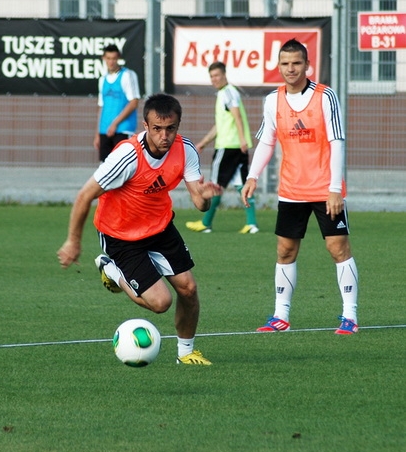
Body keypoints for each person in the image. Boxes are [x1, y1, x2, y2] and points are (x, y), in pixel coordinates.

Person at [58, 93, 222, 364]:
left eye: (171, 129)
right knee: (161, 303)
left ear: (178, 126)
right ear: (146, 126)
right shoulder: (127, 156)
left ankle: (186, 352)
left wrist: (204, 196)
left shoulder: (186, 150)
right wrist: (73, 241)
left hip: (160, 228)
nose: (164, 136)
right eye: (157, 129)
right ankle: (110, 268)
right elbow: (84, 196)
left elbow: (199, 203)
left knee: (189, 290)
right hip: (120, 235)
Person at [241, 38, 359, 335]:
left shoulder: (325, 96)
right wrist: (252, 176)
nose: (290, 69)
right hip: (291, 190)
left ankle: (350, 316)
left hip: (324, 188)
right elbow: (267, 140)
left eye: (296, 63)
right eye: (285, 63)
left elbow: (337, 142)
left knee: (337, 248)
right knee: (285, 251)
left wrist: (335, 188)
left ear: (308, 66)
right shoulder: (272, 100)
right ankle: (281, 316)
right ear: (278, 66)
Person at [185, 61, 258, 234]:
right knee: (241, 184)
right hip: (238, 146)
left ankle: (206, 222)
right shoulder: (227, 93)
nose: (214, 79)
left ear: (225, 75)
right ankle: (252, 223)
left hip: (227, 146)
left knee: (215, 184)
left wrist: (241, 139)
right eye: (212, 76)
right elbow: (221, 125)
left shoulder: (227, 93)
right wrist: (203, 143)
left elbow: (237, 116)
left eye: (217, 75)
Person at [93, 44, 140, 162]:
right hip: (105, 129)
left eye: (113, 58)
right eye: (108, 58)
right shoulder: (102, 80)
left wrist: (115, 123)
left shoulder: (127, 75)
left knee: (122, 165)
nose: (111, 62)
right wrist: (98, 133)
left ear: (118, 57)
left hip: (122, 129)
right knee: (104, 167)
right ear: (103, 58)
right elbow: (101, 107)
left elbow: (134, 102)